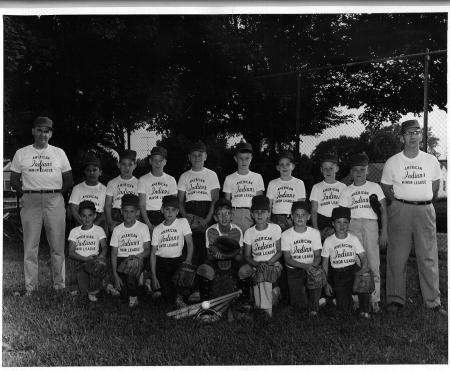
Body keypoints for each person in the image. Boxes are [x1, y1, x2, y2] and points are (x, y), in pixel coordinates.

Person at [380, 119, 445, 315]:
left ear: (420, 136)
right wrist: (401, 202)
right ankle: (395, 299)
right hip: (400, 209)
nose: (413, 136)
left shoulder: (431, 160)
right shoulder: (393, 161)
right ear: (402, 137)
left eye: (416, 132)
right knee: (397, 256)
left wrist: (420, 200)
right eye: (408, 133)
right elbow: (386, 187)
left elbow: (434, 188)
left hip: (424, 210)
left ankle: (433, 301)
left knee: (428, 256)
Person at [10, 116, 74, 295]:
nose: (42, 134)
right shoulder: (21, 153)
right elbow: (14, 181)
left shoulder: (59, 153)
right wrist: (29, 195)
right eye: (39, 130)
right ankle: (31, 287)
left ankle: (59, 286)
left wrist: (54, 195)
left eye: (46, 131)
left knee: (57, 246)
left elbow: (69, 180)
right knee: (30, 247)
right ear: (33, 131)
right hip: (30, 200)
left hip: (54, 199)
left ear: (51, 134)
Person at [338, 153, 387, 314]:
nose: (359, 173)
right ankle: (357, 299)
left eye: (362, 169)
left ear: (367, 171)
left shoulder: (374, 187)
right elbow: (343, 215)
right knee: (355, 262)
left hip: (371, 225)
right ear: (351, 172)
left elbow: (383, 210)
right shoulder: (346, 190)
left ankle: (374, 299)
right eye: (355, 170)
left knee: (373, 262)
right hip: (353, 225)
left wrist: (384, 231)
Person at [321, 207, 371, 319]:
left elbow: (363, 256)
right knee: (344, 311)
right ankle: (348, 299)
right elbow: (324, 263)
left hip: (352, 269)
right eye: (338, 222)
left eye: (345, 222)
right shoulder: (329, 241)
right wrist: (326, 283)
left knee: (365, 278)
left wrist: (363, 270)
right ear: (333, 224)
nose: (342, 226)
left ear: (349, 224)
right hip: (338, 274)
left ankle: (365, 309)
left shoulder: (353, 239)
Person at [196, 198, 249, 302]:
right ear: (215, 217)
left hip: (233, 259)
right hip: (215, 260)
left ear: (231, 215)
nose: (224, 217)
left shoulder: (237, 230)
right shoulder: (210, 231)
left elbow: (240, 255)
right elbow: (209, 255)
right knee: (204, 269)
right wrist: (218, 255)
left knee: (246, 269)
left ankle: (244, 302)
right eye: (220, 214)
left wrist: (229, 254)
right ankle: (205, 302)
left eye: (227, 213)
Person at [177, 141, 220, 265]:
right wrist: (186, 217)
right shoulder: (184, 176)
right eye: (194, 155)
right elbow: (180, 201)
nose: (197, 158)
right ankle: (191, 278)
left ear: (205, 156)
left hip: (207, 211)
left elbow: (215, 200)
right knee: (191, 247)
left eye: (200, 155)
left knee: (207, 247)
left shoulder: (211, 175)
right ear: (189, 157)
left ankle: (206, 278)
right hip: (190, 211)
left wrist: (207, 219)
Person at [240, 195, 283, 318]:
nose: (260, 215)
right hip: (256, 265)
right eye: (256, 212)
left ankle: (267, 312)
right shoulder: (249, 232)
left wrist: (267, 263)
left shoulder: (275, 228)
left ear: (269, 214)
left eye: (263, 212)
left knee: (264, 273)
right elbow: (247, 256)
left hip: (273, 264)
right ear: (252, 214)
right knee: (243, 272)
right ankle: (259, 300)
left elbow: (279, 251)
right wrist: (258, 264)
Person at [150, 195, 194, 308]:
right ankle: (152, 283)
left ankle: (180, 295)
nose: (170, 212)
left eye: (173, 210)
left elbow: (189, 243)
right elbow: (153, 254)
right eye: (167, 209)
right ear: (162, 210)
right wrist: (154, 275)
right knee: (168, 298)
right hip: (162, 264)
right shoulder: (157, 229)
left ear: (178, 211)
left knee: (182, 285)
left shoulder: (182, 222)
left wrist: (187, 262)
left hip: (177, 262)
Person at [281, 201, 322, 316]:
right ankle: (301, 300)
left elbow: (318, 256)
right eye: (297, 215)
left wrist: (312, 267)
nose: (300, 217)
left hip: (311, 266)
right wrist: (305, 267)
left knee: (317, 273)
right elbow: (287, 259)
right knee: (300, 308)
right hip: (294, 269)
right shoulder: (285, 235)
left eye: (303, 215)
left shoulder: (314, 233)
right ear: (292, 216)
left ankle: (314, 304)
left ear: (308, 217)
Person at [110, 194, 150, 308]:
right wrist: (115, 275)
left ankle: (134, 296)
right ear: (121, 211)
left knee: (130, 281)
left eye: (132, 211)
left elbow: (147, 250)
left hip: (138, 258)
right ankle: (142, 284)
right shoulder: (117, 229)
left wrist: (137, 257)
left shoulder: (143, 227)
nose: (128, 214)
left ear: (137, 212)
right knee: (123, 292)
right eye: (126, 211)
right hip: (121, 260)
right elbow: (113, 253)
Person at [68, 201, 107, 305]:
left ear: (94, 216)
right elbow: (71, 253)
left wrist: (100, 257)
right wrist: (85, 259)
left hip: (93, 263)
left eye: (90, 215)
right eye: (84, 216)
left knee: (100, 265)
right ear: (80, 216)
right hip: (79, 262)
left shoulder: (99, 230)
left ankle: (93, 291)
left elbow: (104, 247)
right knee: (81, 292)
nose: (87, 219)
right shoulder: (74, 231)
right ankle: (78, 283)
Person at [223, 142, 264, 232]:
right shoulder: (229, 178)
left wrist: (256, 215)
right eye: (240, 158)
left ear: (251, 158)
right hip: (235, 213)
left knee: (251, 243)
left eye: (247, 158)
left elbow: (259, 201)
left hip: (252, 214)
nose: (244, 161)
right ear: (235, 159)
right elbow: (227, 202)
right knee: (236, 243)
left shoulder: (257, 177)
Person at [138, 146, 177, 234]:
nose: (157, 163)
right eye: (155, 160)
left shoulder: (171, 180)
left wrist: (168, 223)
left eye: (160, 160)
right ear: (150, 161)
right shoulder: (143, 179)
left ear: (165, 162)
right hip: (149, 216)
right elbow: (142, 204)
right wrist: (148, 224)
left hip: (166, 215)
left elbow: (173, 204)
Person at [310, 153, 346, 241]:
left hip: (337, 220)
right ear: (321, 170)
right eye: (325, 169)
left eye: (331, 168)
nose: (328, 171)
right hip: (321, 221)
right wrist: (316, 229)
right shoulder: (317, 187)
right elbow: (314, 210)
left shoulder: (343, 186)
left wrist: (340, 227)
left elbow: (344, 209)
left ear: (337, 168)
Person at [267, 150, 306, 232]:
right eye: (282, 164)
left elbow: (301, 204)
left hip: (293, 218)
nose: (285, 167)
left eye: (288, 164)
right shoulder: (272, 183)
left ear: (293, 167)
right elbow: (269, 204)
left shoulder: (299, 183)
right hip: (276, 218)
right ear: (277, 167)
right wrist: (268, 220)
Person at [68, 153, 107, 232]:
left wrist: (95, 225)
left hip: (99, 219)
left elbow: (106, 210)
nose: (91, 173)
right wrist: (82, 223)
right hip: (81, 219)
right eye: (88, 170)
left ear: (100, 172)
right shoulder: (77, 188)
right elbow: (73, 208)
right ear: (84, 172)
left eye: (94, 170)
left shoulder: (105, 189)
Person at [105, 149, 139, 235]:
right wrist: (110, 222)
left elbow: (141, 204)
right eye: (123, 164)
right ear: (118, 165)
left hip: (133, 215)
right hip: (116, 216)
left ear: (135, 166)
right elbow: (108, 204)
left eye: (130, 165)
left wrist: (137, 220)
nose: (127, 168)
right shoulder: (112, 183)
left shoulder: (139, 183)